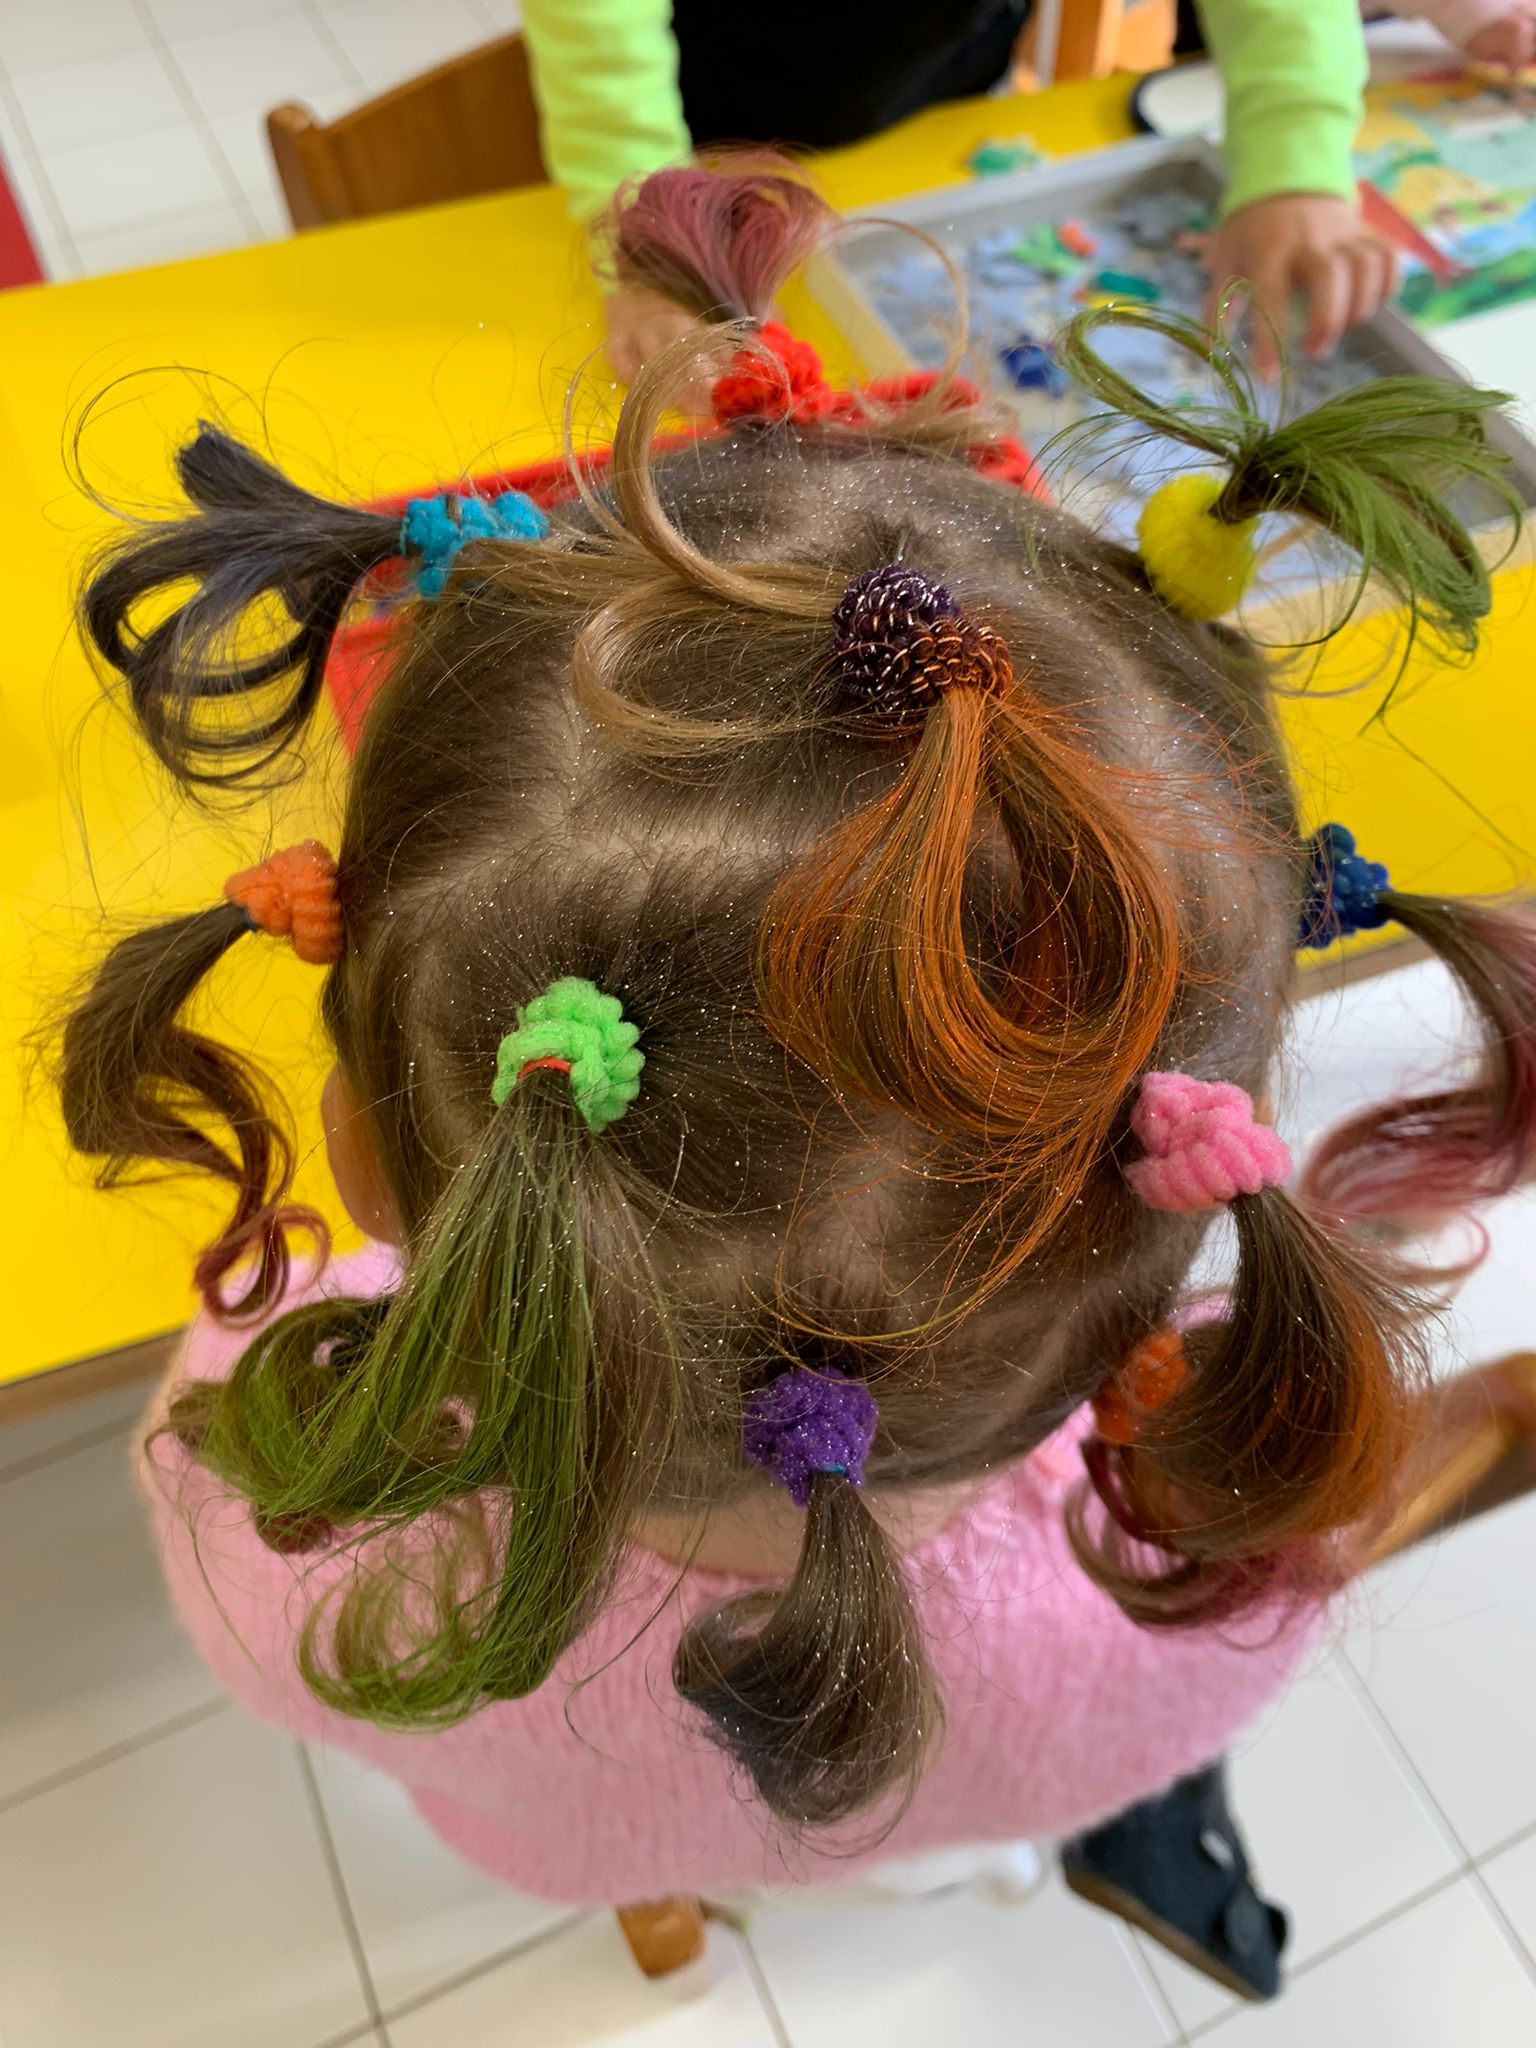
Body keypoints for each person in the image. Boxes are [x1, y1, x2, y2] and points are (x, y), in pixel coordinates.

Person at [59, 162, 1536, 2000]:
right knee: (926, 1846)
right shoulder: (1217, 1553)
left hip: (605, 1838)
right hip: (989, 1810)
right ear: (1184, 1200)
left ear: (366, 1152)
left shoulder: (304, 1545)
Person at [521, 0, 1399, 381]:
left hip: (936, 102)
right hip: (699, 120)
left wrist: (1294, 160)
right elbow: (598, 39)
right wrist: (652, 224)